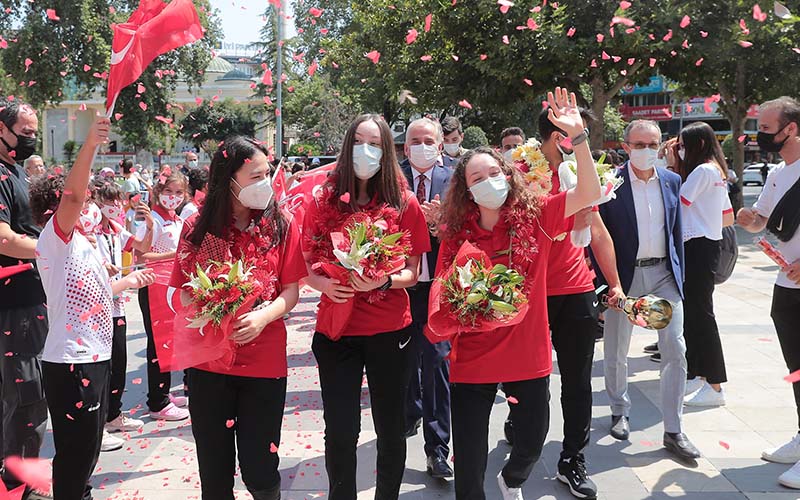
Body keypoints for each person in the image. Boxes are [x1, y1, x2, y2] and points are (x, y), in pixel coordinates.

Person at [433, 88, 600, 500]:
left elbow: (588, 193)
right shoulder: (456, 234)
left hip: (528, 352)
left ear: (508, 176)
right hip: (473, 355)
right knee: (470, 458)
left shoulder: (538, 215)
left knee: (531, 440)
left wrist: (578, 138)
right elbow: (442, 293)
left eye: (494, 173)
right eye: (477, 178)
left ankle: (512, 480)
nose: (488, 181)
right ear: (466, 189)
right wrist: (470, 306)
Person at [301, 114, 430, 500]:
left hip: (390, 333)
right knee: (340, 430)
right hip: (336, 333)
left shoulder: (404, 202)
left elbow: (413, 272)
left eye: (375, 144)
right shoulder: (322, 200)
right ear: (346, 145)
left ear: (387, 151)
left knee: (391, 428)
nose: (366, 151)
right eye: (359, 141)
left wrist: (384, 280)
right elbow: (304, 264)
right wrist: (322, 282)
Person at [171, 136, 306, 500]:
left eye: (267, 174)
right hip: (209, 365)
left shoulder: (281, 225)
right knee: (215, 476)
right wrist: (210, 303)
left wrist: (263, 317)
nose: (265, 184)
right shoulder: (199, 229)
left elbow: (290, 291)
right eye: (254, 176)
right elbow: (181, 291)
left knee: (260, 470)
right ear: (228, 180)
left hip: (264, 364)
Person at [31, 114, 155, 500]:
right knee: (76, 452)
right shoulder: (56, 239)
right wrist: (90, 145)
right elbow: (71, 196)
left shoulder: (84, 245)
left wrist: (128, 281)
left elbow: (92, 296)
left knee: (87, 449)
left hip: (93, 355)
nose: (88, 207)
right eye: (83, 202)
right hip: (71, 360)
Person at [597, 120, 700, 460]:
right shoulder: (610, 183)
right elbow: (600, 238)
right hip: (624, 280)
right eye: (638, 144)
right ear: (625, 147)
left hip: (662, 277)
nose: (646, 151)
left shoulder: (671, 180)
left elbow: (675, 233)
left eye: (652, 144)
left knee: (675, 347)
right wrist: (605, 285)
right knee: (616, 349)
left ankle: (674, 429)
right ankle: (618, 408)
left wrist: (680, 280)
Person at [533, 107, 623, 499]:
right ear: (559, 137)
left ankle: (573, 458)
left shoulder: (581, 176)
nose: (582, 142)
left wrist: (616, 285)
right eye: (578, 134)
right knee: (528, 380)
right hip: (531, 293)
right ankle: (521, 437)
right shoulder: (521, 174)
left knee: (577, 381)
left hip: (575, 291)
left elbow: (599, 233)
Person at [737, 96, 800, 489]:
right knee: (796, 368)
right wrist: (749, 219)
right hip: (785, 283)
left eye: (765, 129)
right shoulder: (778, 172)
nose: (758, 136)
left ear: (790, 129)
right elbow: (761, 221)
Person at [0, 97, 50, 498]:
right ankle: (20, 481)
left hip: (29, 299)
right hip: (13, 305)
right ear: (2, 129)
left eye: (35, 133)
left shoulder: (16, 172)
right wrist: (51, 247)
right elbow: (4, 238)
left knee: (23, 395)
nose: (31, 140)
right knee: (28, 395)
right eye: (26, 133)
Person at [399, 118, 454, 478]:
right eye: (415, 141)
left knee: (436, 363)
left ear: (440, 144)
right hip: (398, 288)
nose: (422, 146)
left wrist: (441, 225)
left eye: (428, 140)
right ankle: (408, 414)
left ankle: (438, 448)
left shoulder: (456, 180)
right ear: (405, 148)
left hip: (438, 285)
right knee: (403, 363)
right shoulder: (389, 179)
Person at [673, 122, 735, 407]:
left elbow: (678, 202)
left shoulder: (702, 171)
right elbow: (727, 216)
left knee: (701, 315)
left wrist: (672, 165)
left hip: (697, 246)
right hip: (705, 244)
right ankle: (697, 374)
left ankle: (715, 384)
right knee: (695, 314)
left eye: (682, 146)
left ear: (697, 145)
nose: (680, 151)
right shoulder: (717, 171)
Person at [90, 180, 154, 444]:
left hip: (117, 305)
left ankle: (114, 415)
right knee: (101, 368)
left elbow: (141, 247)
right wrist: (104, 266)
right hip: (97, 307)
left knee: (119, 364)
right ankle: (97, 425)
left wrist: (150, 226)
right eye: (109, 202)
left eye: (118, 201)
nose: (116, 206)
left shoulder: (117, 230)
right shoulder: (90, 233)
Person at [138, 171, 190, 421]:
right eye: (169, 192)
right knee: (158, 343)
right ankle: (157, 403)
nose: (174, 197)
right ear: (158, 192)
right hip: (154, 287)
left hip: (171, 286)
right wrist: (176, 255)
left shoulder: (176, 219)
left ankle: (164, 393)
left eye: (179, 193)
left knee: (169, 340)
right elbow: (141, 256)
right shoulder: (153, 221)